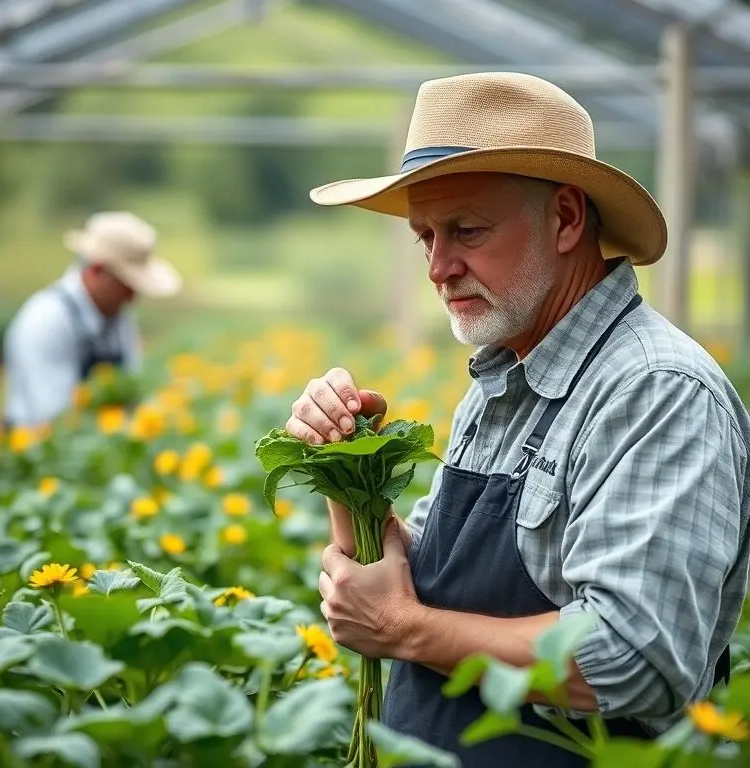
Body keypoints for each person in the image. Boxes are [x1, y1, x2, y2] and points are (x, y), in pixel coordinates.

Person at [284, 72, 750, 766]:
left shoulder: (656, 391)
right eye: (425, 238)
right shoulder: (507, 372)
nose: (439, 267)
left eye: (466, 229)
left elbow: (631, 658)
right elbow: (438, 588)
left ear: (564, 219)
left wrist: (403, 629)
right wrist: (346, 467)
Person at [2, 211, 182, 427]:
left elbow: (132, 390)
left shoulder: (117, 316)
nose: (132, 297)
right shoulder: (46, 321)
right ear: (96, 271)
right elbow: (56, 420)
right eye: (126, 284)